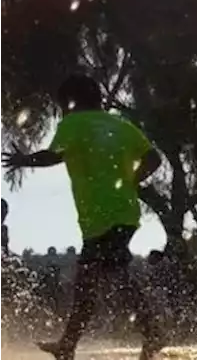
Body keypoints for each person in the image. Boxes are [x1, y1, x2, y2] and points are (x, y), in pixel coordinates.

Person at [1, 74, 163, 360]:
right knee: (98, 278)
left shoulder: (72, 124)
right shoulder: (120, 125)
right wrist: (131, 183)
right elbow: (154, 158)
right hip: (124, 212)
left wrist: (25, 160)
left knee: (99, 279)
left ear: (68, 103)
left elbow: (54, 156)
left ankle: (150, 332)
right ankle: (73, 343)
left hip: (100, 217)